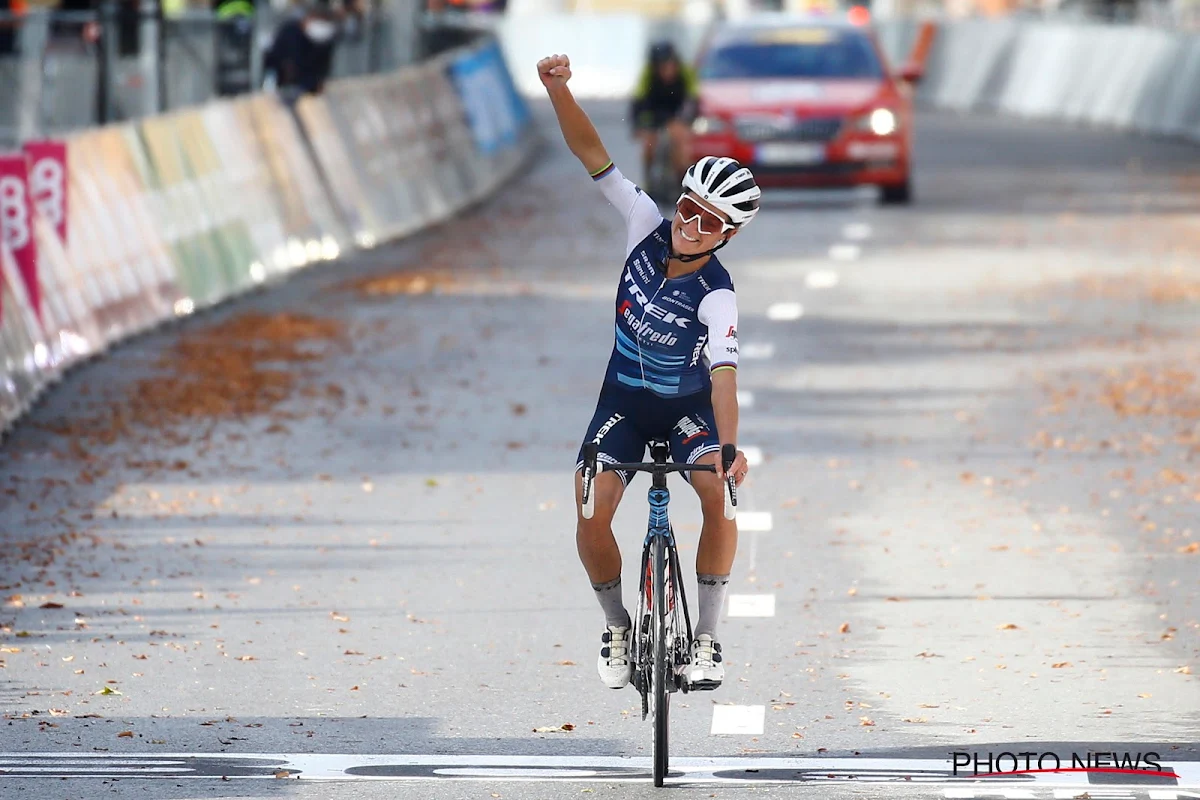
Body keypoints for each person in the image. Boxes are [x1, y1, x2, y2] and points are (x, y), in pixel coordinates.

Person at [537, 53, 759, 692]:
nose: (690, 226)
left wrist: (728, 447)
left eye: (708, 222)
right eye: (688, 209)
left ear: (727, 235)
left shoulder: (719, 294)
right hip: (623, 406)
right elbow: (594, 157)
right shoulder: (644, 227)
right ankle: (617, 625)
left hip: (690, 411)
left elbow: (723, 378)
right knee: (590, 512)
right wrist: (559, 92)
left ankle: (709, 638)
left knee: (718, 496)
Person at [630, 40, 698, 187]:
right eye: (662, 67)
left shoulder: (685, 72)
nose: (666, 71)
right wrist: (638, 126)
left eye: (669, 66)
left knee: (680, 142)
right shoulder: (647, 75)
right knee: (649, 144)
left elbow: (693, 99)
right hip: (655, 113)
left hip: (676, 113)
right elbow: (637, 102)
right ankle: (648, 181)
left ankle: (684, 182)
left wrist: (685, 120)